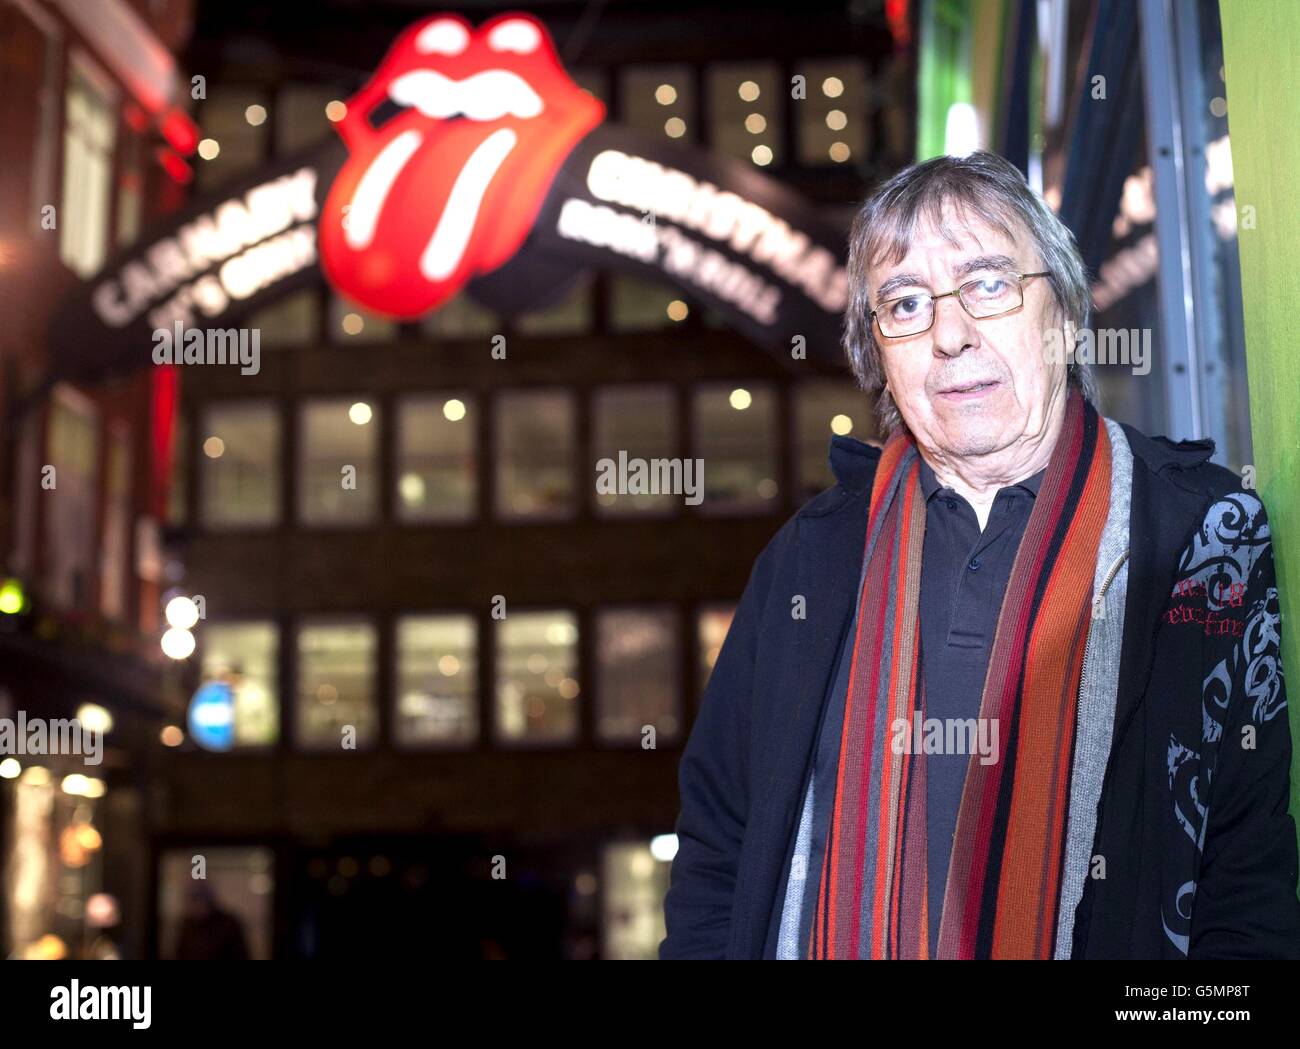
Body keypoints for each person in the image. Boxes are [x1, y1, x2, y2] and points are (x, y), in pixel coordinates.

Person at [660, 150, 1300, 959]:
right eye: (905, 303)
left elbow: (1244, 888)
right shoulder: (809, 561)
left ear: (1064, 317)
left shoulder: (1202, 538)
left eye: (989, 284)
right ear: (880, 360)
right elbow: (719, 847)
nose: (950, 334)